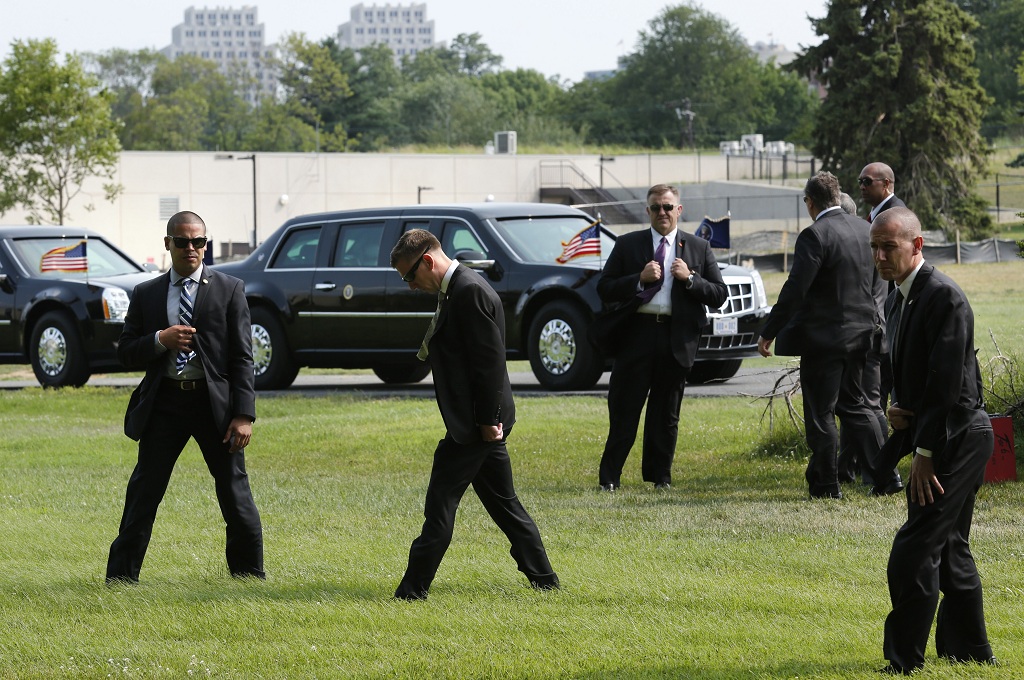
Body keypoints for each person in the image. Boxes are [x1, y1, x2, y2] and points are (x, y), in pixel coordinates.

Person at [390, 229, 558, 600]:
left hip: (477, 426)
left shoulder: (469, 291)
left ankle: (411, 591)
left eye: (409, 276)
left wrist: (487, 422)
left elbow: (489, 364)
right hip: (477, 423)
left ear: (428, 261)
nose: (410, 286)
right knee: (506, 505)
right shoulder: (457, 290)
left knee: (440, 506)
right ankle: (545, 580)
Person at [869, 207, 996, 674]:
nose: (880, 256)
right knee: (949, 545)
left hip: (958, 437)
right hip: (939, 432)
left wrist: (923, 454)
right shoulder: (897, 296)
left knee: (915, 547)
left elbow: (947, 384)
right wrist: (898, 406)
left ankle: (904, 659)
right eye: (875, 247)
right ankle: (971, 651)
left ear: (917, 246)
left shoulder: (944, 297)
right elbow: (908, 369)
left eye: (890, 247)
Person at [106, 211, 264, 583]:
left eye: (198, 242)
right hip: (165, 404)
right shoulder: (147, 293)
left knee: (234, 491)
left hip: (215, 409)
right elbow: (127, 350)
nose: (191, 248)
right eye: (182, 241)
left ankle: (248, 575)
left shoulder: (229, 289)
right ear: (168, 244)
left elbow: (243, 356)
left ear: (206, 245)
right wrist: (160, 340)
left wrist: (244, 414)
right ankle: (121, 578)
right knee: (144, 492)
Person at [757, 172, 897, 499]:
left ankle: (826, 484)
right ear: (837, 195)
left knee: (821, 414)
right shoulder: (866, 229)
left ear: (810, 202)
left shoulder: (815, 235)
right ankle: (887, 477)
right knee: (860, 407)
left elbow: (796, 290)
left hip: (826, 341)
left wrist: (769, 331)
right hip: (868, 336)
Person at [596, 184, 728, 491]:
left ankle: (660, 478)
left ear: (679, 210)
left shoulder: (697, 247)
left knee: (666, 415)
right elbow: (604, 288)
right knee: (624, 411)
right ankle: (609, 479)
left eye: (668, 207)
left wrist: (691, 280)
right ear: (648, 211)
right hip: (636, 336)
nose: (662, 213)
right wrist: (638, 279)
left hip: (675, 338)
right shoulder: (629, 245)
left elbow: (719, 295)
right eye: (656, 208)